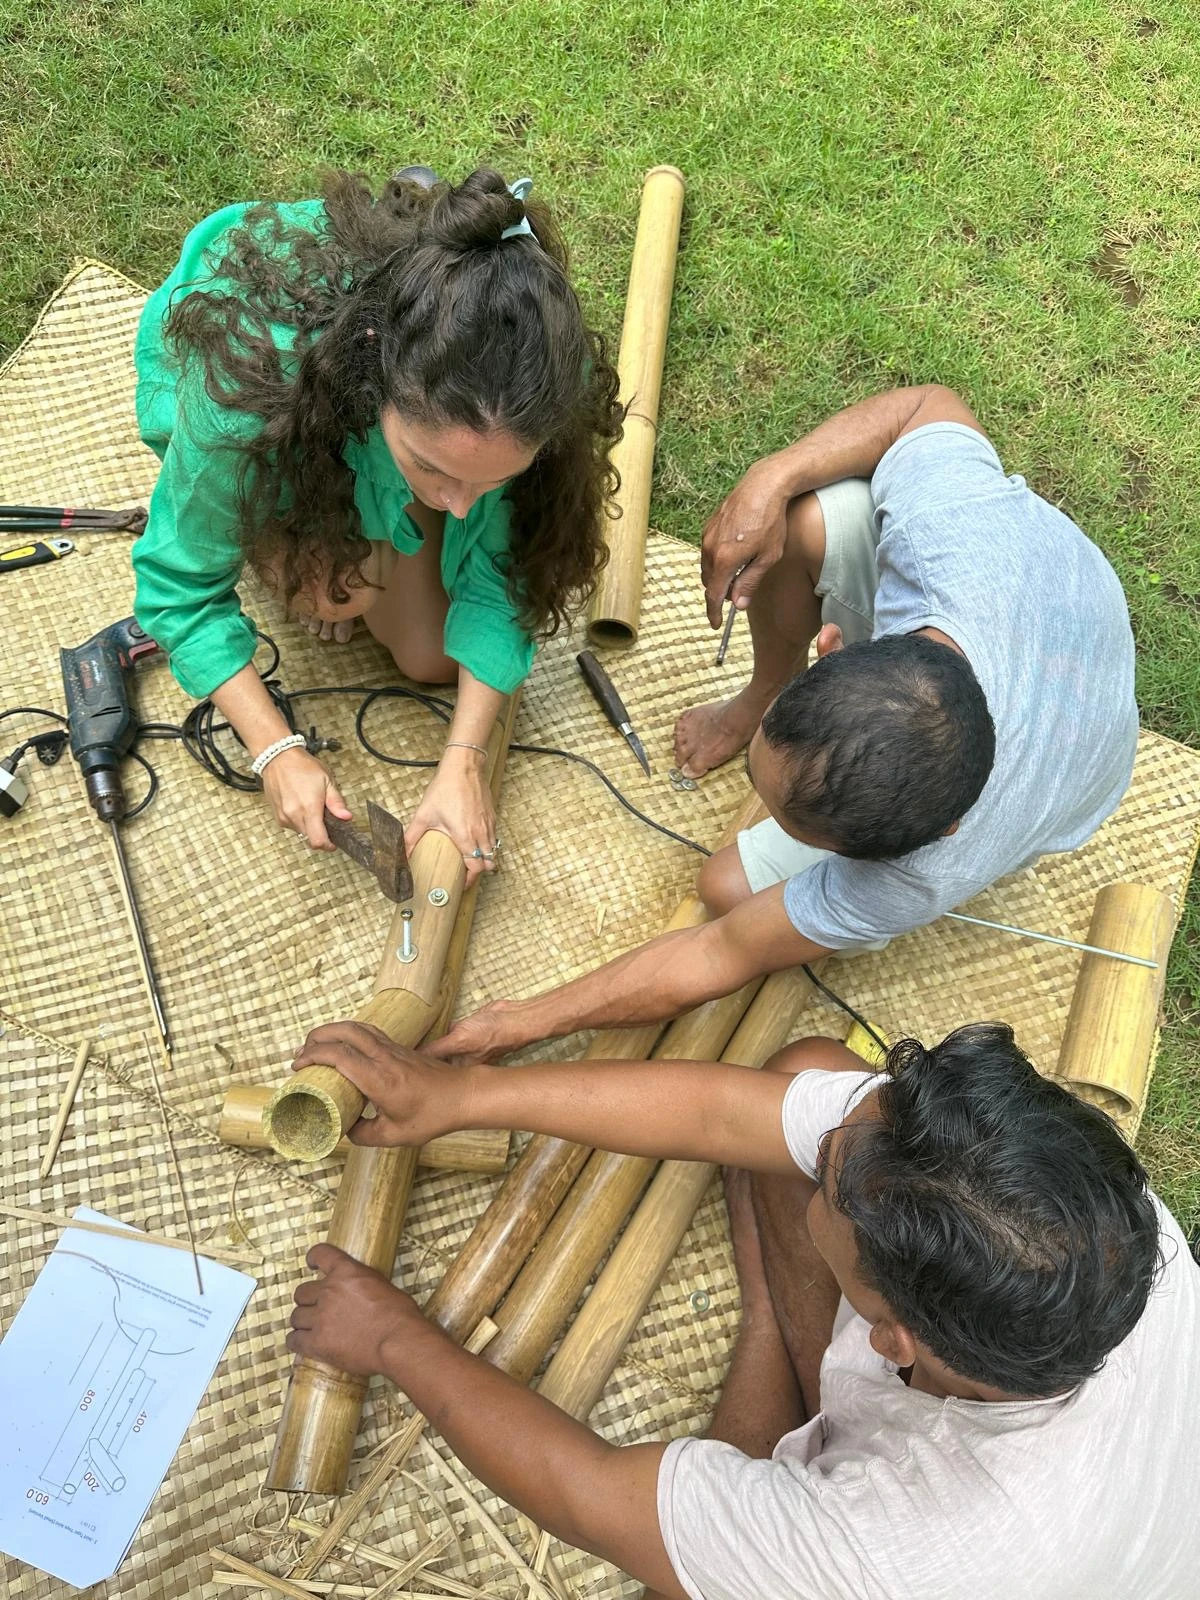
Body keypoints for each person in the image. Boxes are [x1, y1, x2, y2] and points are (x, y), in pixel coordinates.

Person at [283, 1017, 1198, 1599]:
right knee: (805, 1066)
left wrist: (394, 1338)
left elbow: (590, 1495)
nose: (821, 1141)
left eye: (828, 1186)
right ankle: (776, 1331)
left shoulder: (893, 1558)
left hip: (995, 1567)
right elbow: (736, 1118)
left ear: (893, 1341)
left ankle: (774, 1363)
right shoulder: (1091, 1214)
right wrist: (462, 1095)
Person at [429, 383, 1137, 1059]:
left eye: (788, 817)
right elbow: (929, 405)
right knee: (801, 521)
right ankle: (764, 693)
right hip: (1029, 598)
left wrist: (519, 1022)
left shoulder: (921, 875)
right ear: (831, 647)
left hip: (1079, 753)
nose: (755, 813)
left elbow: (721, 949)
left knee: (727, 890)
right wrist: (773, 475)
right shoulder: (944, 535)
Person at [131, 166, 621, 876]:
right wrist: (275, 750)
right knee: (333, 590)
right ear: (373, 379)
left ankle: (415, 461)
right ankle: (317, 532)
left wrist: (464, 763)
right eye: (434, 470)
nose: (462, 508)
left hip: (397, 403)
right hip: (277, 381)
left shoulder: (529, 391)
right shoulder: (238, 407)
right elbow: (179, 591)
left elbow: (505, 570)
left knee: (431, 659)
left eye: (497, 479)